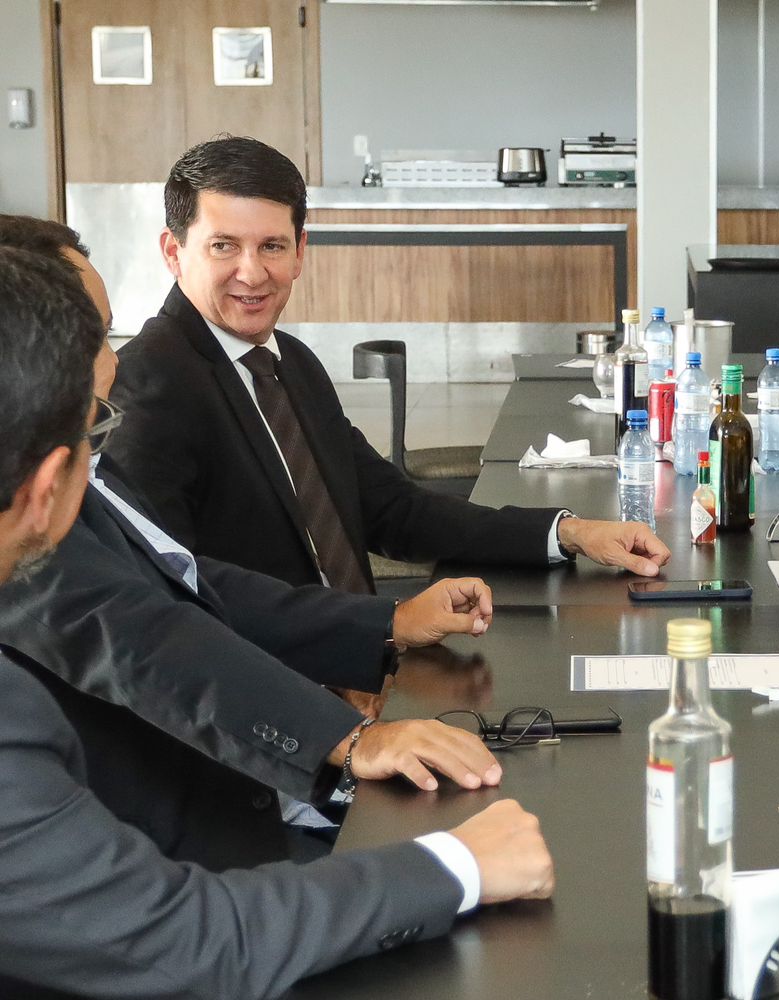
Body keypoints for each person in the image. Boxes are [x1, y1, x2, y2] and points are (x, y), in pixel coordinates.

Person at [0, 245, 554, 999]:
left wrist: (385, 624)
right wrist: (454, 865)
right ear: (44, 489)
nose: (111, 365)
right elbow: (180, 940)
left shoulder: (284, 364)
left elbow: (186, 581)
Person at [108, 135, 670, 593]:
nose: (252, 273)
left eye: (272, 247)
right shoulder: (148, 385)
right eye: (224, 246)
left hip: (356, 651)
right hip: (282, 681)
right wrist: (381, 630)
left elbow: (392, 510)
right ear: (174, 252)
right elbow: (178, 596)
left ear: (300, 252)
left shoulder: (289, 363)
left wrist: (569, 532)